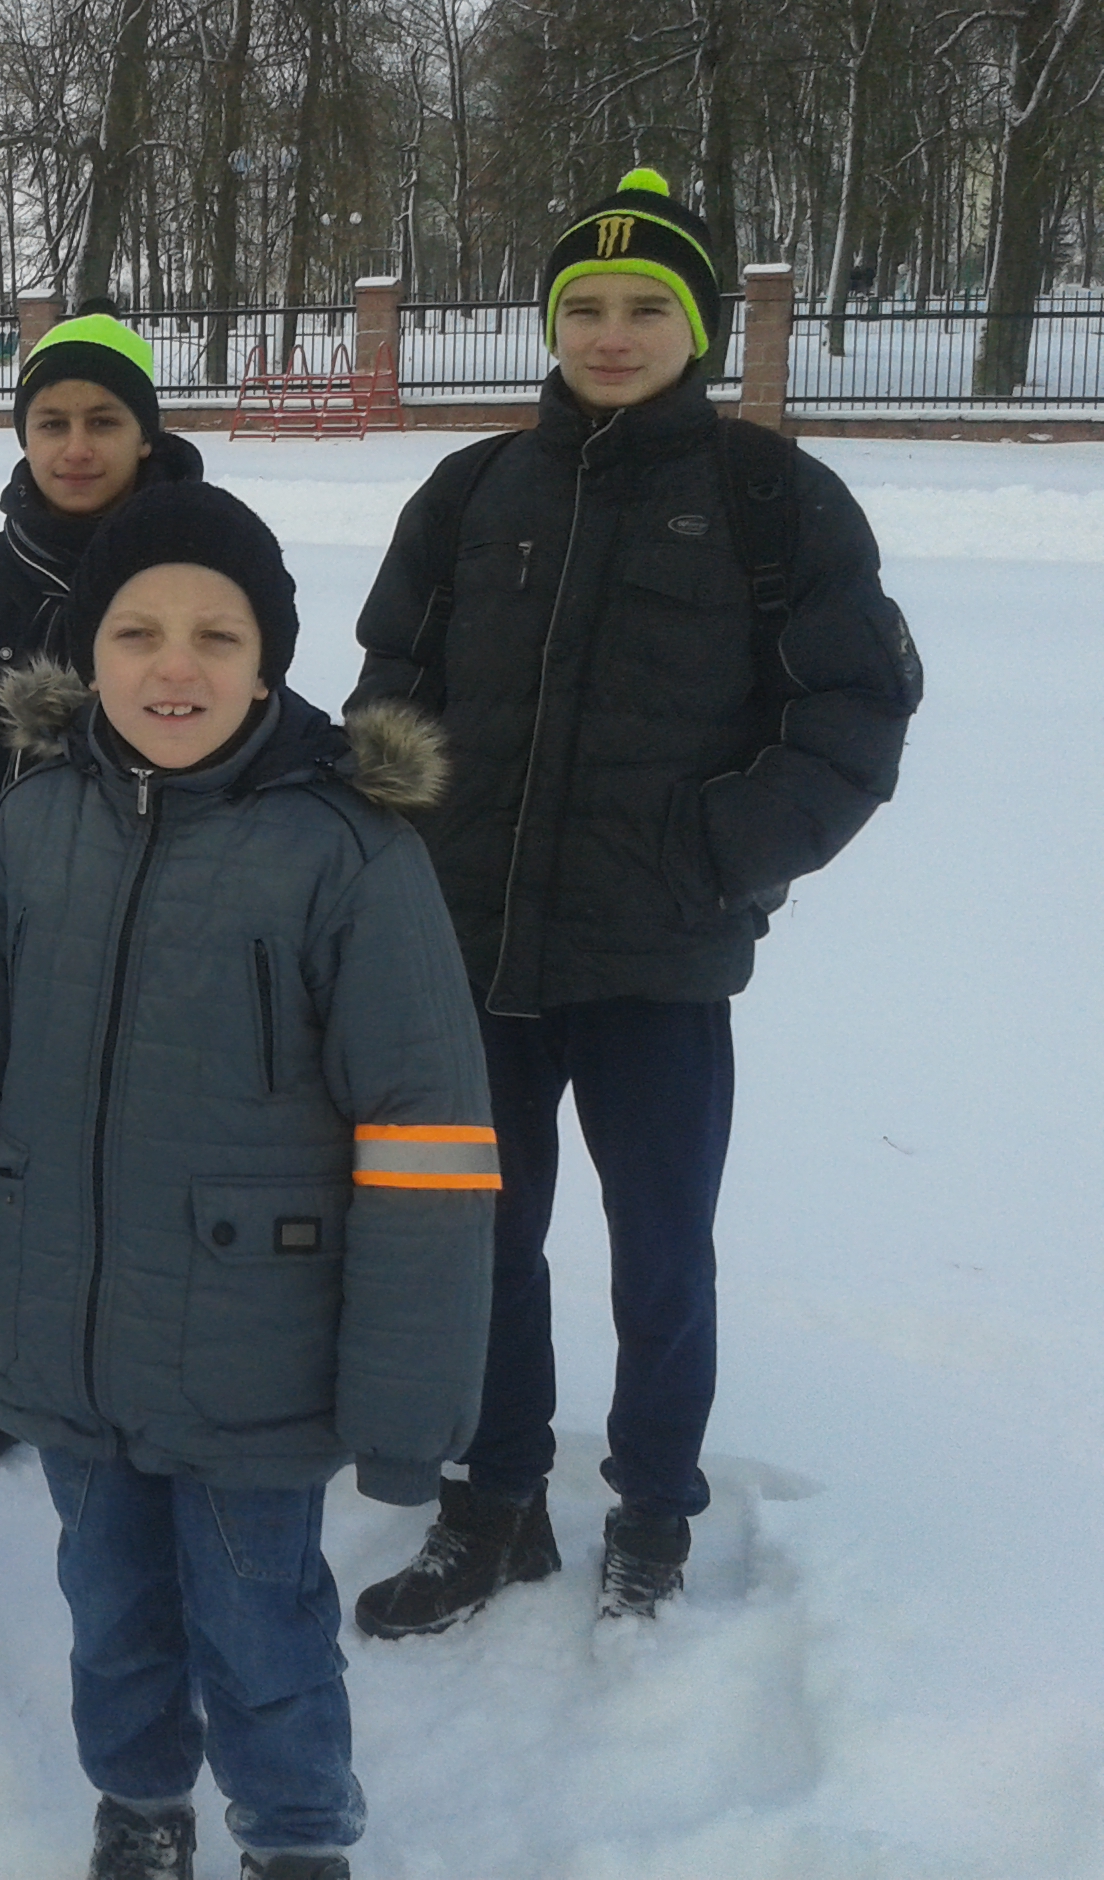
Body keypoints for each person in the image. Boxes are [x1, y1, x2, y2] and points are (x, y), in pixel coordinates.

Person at [0, 483, 497, 1880]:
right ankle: (139, 1806)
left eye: (218, 633)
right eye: (136, 631)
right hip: (64, 1341)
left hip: (252, 1368)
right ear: (88, 658)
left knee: (261, 1625)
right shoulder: (32, 830)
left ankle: (296, 1838)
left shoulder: (347, 851)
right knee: (115, 1612)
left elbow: (429, 1138)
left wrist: (407, 1407)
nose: (174, 664)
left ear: (269, 659)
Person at [344, 169, 923, 1634]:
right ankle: (496, 1501)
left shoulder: (771, 500)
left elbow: (853, 710)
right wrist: (407, 830)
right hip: (475, 948)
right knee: (483, 1236)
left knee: (662, 1248)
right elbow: (393, 677)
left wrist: (719, 853)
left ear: (699, 328)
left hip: (660, 959)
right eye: (586, 307)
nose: (612, 333)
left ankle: (654, 1507)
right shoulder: (475, 491)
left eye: (646, 308)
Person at [0, 305, 203, 1469]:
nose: (76, 446)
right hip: (2, 933)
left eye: (103, 421)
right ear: (21, 437)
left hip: (163, 928)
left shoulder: (202, 568)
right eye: (51, 422)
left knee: (130, 1152)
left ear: (145, 435)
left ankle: (121, 1352)